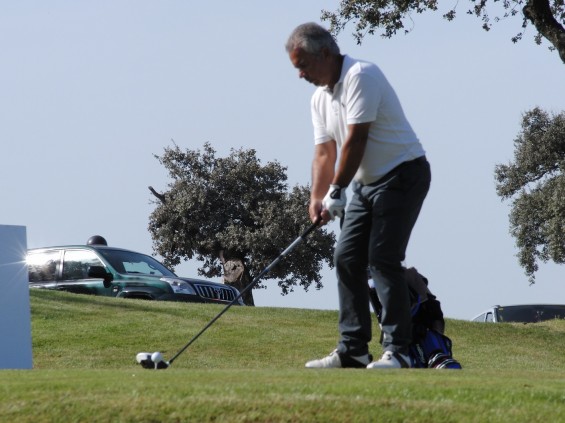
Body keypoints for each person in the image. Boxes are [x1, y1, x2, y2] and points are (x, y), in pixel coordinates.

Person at [285, 22, 431, 369]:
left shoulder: (361, 75)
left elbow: (356, 140)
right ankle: (353, 349)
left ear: (325, 53)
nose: (300, 74)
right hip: (366, 185)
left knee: (382, 258)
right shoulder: (319, 98)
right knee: (347, 258)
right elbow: (324, 152)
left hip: (403, 173)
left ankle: (400, 351)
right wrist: (317, 199)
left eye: (303, 65)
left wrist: (337, 190)